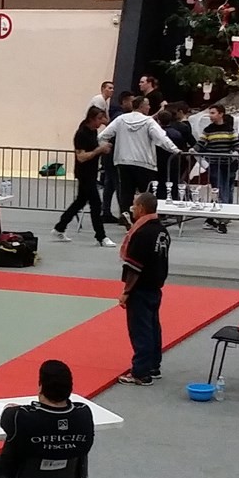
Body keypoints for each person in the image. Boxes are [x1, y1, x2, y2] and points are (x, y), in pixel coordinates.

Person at [97, 96, 179, 224]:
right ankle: (145, 220)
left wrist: (104, 146)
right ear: (141, 106)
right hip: (144, 163)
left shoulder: (121, 119)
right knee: (146, 194)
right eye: (147, 105)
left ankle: (126, 216)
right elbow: (161, 138)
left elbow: (103, 135)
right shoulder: (149, 122)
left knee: (126, 192)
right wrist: (175, 150)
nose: (149, 107)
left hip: (123, 161)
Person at [118, 193, 171, 386]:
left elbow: (134, 267)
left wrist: (126, 292)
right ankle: (154, 366)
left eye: (134, 205)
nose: (132, 208)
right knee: (153, 327)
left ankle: (140, 372)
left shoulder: (141, 234)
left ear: (141, 208)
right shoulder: (162, 231)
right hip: (155, 286)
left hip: (140, 288)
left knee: (140, 331)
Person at [51, 107, 115, 247]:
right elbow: (81, 157)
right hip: (84, 174)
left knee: (80, 202)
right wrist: (99, 150)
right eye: (99, 118)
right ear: (91, 118)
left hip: (91, 172)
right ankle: (101, 236)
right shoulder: (81, 134)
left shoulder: (93, 131)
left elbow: (92, 149)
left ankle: (60, 227)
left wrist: (101, 149)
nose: (101, 122)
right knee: (96, 204)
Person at [196, 103, 239, 234]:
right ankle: (220, 220)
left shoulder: (229, 130)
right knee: (218, 190)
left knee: (224, 191)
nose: (210, 116)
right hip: (214, 165)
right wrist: (193, 150)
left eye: (213, 113)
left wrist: (235, 152)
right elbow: (201, 143)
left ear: (221, 114)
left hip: (227, 164)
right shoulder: (208, 130)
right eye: (210, 113)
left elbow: (236, 144)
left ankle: (215, 218)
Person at [101, 91, 135, 223]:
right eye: (131, 101)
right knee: (119, 184)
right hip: (114, 155)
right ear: (124, 102)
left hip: (111, 154)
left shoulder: (117, 115)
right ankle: (123, 213)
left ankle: (106, 211)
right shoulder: (120, 117)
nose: (133, 104)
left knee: (110, 184)